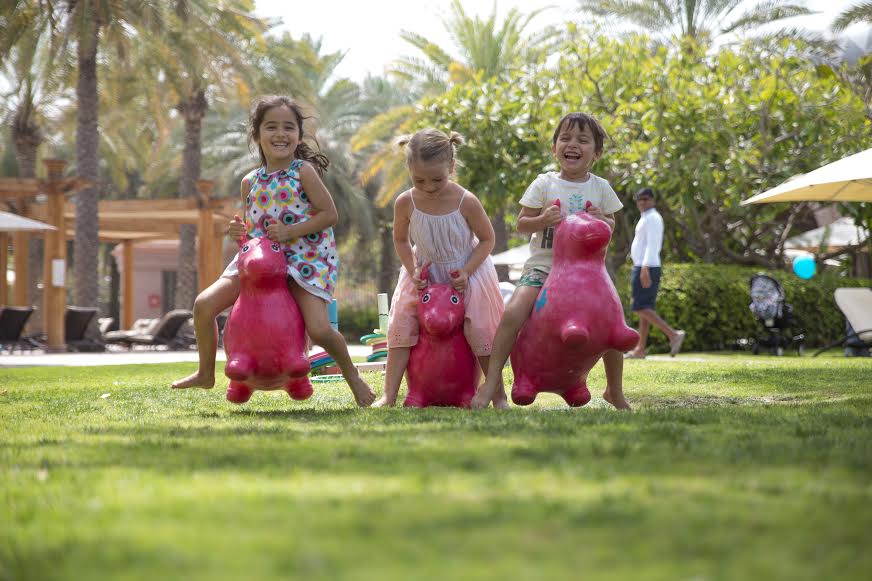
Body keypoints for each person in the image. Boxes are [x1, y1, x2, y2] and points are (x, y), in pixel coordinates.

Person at [171, 95, 375, 407]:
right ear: (257, 134)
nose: (281, 134)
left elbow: (329, 215)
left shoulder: (303, 171)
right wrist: (239, 234)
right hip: (260, 264)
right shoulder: (249, 182)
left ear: (299, 135)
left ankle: (354, 378)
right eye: (271, 127)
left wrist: (291, 232)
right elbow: (252, 232)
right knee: (203, 305)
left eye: (288, 127)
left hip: (304, 259)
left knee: (320, 329)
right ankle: (205, 373)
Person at [472, 112, 631, 410]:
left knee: (611, 323)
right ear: (554, 147)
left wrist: (602, 219)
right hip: (543, 268)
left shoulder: (600, 187)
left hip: (585, 277)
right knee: (513, 312)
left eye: (583, 140)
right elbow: (522, 224)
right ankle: (492, 381)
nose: (573, 144)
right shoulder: (544, 183)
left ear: (596, 153)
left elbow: (611, 226)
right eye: (565, 138)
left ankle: (614, 390)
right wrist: (543, 219)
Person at [373, 128, 508, 408]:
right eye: (419, 180)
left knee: (480, 328)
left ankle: (498, 396)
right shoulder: (405, 202)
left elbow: (487, 239)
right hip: (422, 271)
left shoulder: (466, 201)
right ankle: (389, 395)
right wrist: (412, 269)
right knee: (401, 323)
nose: (429, 186)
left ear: (451, 167)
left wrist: (467, 270)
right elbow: (400, 239)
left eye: (437, 179)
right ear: (409, 170)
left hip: (467, 271)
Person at [624, 187, 685, 359]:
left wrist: (645, 268)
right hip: (644, 265)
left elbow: (653, 245)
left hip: (647, 266)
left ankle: (673, 334)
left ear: (653, 201)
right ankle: (640, 349)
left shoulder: (653, 218)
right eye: (639, 199)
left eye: (646, 199)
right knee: (645, 308)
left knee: (639, 307)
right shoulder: (646, 217)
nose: (642, 202)